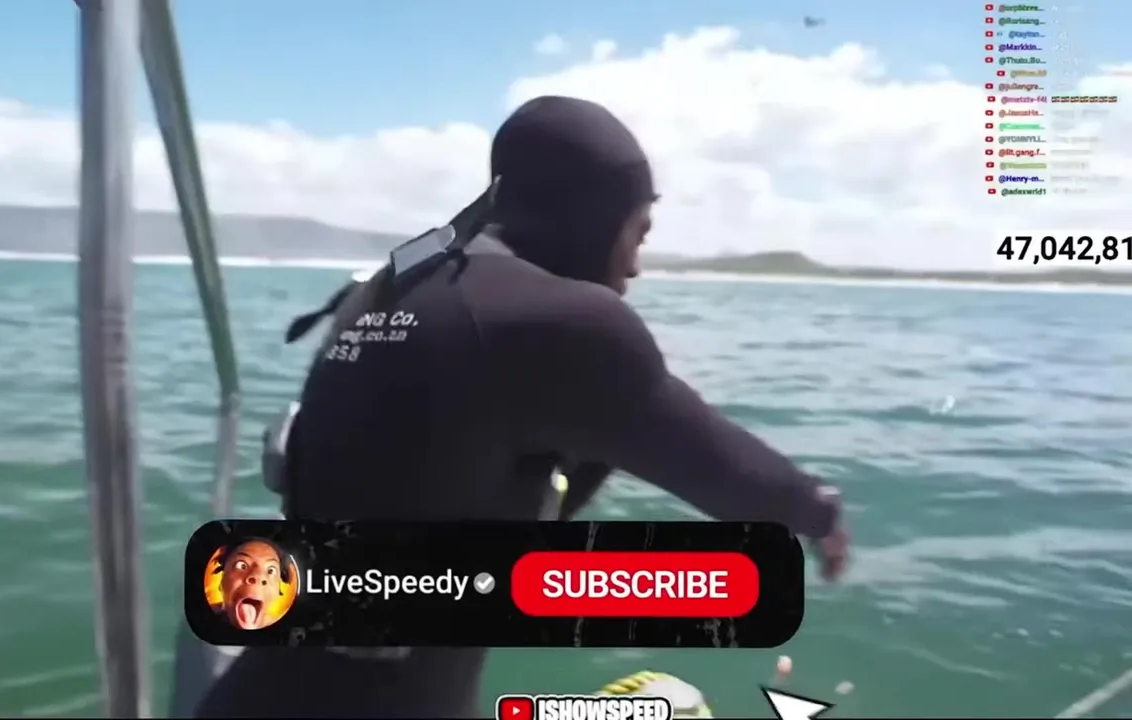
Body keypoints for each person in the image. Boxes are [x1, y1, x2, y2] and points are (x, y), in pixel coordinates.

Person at [194, 95, 849, 719]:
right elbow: (716, 466)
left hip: (255, 696)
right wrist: (818, 512)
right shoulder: (562, 324)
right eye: (638, 233)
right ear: (595, 218)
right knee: (673, 701)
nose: (635, 267)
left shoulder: (395, 282)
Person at [208, 538, 297, 631]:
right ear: (222, 580)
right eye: (242, 566)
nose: (258, 576)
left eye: (271, 571)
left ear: (278, 589)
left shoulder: (285, 629)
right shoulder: (202, 618)